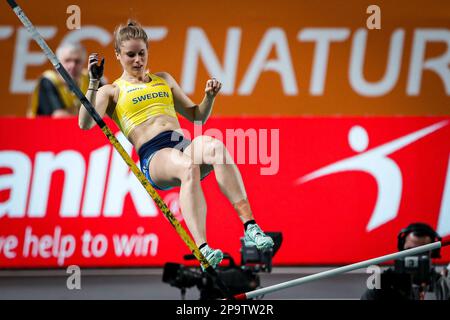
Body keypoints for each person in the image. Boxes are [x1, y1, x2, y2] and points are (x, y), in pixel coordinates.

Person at [78, 20, 274, 269]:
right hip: (155, 155)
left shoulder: (164, 80)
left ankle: (250, 227)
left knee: (215, 147)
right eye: (130, 55)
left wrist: (209, 97)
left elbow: (197, 116)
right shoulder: (112, 91)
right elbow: (85, 124)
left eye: (142, 53)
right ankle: (203, 248)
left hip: (181, 143)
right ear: (118, 55)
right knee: (187, 167)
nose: (137, 60)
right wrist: (93, 83)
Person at [361, 222, 450, 300]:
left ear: (433, 252)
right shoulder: (386, 282)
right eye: (410, 250)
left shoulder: (442, 285)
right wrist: (378, 288)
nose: (415, 257)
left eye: (422, 252)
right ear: (402, 249)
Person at [28, 42, 91, 117]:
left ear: (84, 62)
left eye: (77, 61)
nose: (72, 65)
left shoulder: (89, 78)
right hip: (42, 127)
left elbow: (106, 108)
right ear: (57, 63)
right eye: (67, 60)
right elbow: (59, 116)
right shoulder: (48, 80)